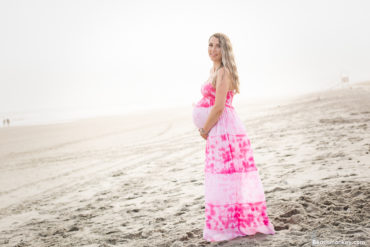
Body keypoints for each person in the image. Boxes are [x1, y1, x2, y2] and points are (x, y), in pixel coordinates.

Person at [192, 33, 276, 242]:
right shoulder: (214, 70)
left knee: (229, 176)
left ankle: (234, 225)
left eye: (217, 46)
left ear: (225, 50)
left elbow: (219, 107)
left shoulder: (224, 72)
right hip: (218, 128)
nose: (212, 50)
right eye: (210, 45)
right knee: (221, 177)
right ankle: (228, 222)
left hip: (225, 129)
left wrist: (204, 129)